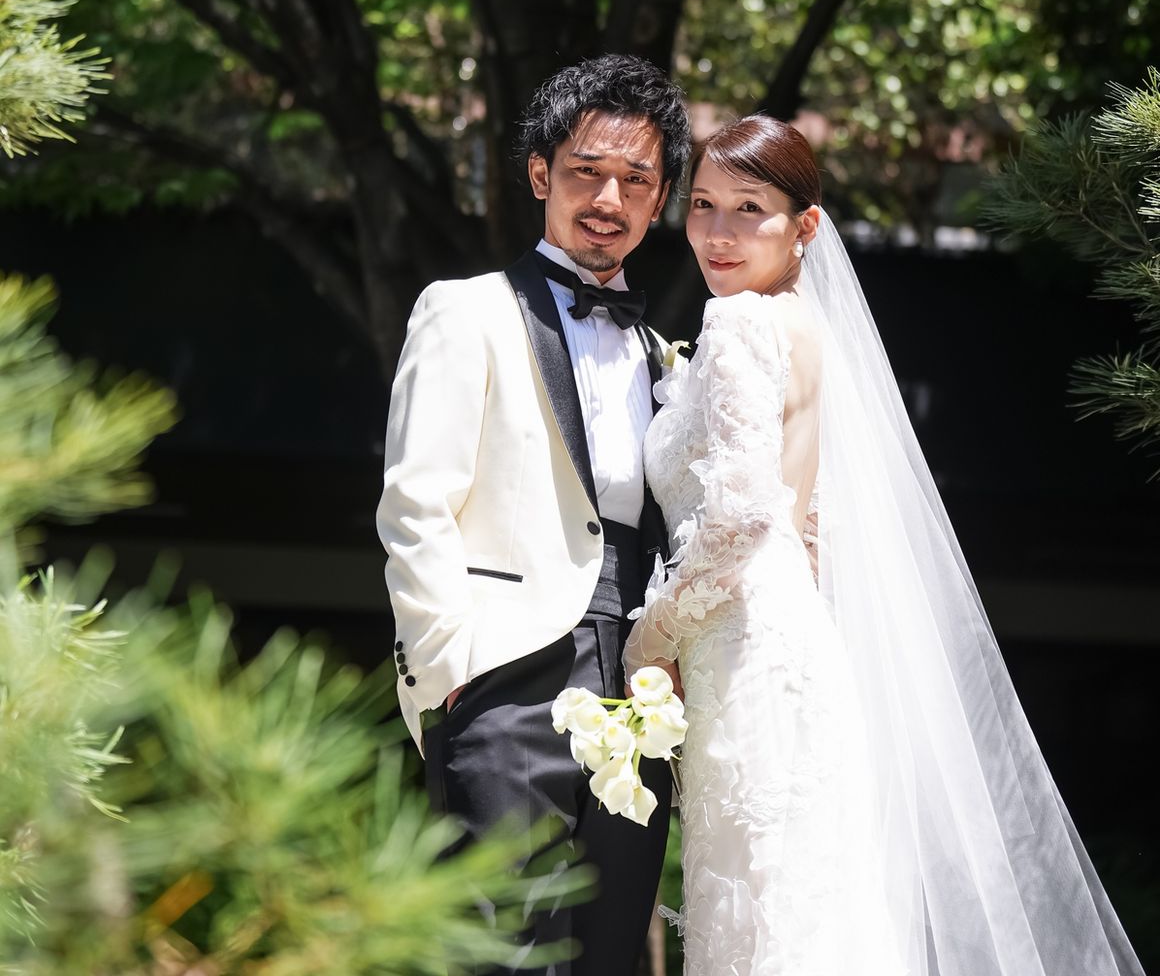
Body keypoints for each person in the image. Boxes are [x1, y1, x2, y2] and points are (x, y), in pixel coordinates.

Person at [625, 115, 1145, 976]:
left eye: (749, 209)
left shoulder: (741, 323)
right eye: (703, 204)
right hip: (792, 647)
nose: (717, 232)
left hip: (743, 650)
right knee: (803, 912)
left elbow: (743, 519)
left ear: (804, 225)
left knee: (763, 921)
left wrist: (650, 639)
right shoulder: (810, 328)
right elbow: (808, 527)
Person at [377, 53, 692, 975]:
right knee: (499, 953)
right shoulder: (464, 311)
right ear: (540, 174)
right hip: (503, 678)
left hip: (638, 685)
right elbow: (415, 503)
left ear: (660, 197)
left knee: (609, 954)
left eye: (637, 179)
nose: (609, 198)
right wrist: (453, 675)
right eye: (587, 171)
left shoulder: (665, 357)